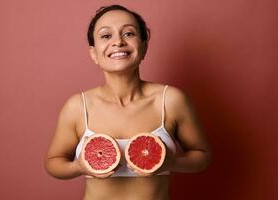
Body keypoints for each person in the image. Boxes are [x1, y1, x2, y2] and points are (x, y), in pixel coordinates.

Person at [44, 4, 212, 200]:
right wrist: (79, 166)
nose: (118, 42)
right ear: (93, 53)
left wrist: (170, 162)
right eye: (106, 36)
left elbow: (202, 156)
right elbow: (53, 162)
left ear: (144, 46)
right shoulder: (78, 106)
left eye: (129, 34)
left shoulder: (171, 101)